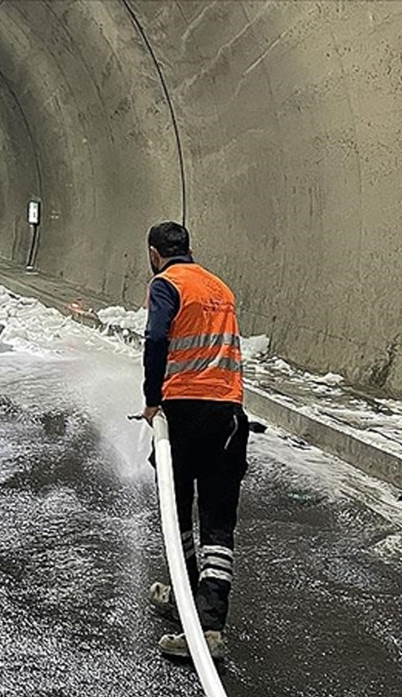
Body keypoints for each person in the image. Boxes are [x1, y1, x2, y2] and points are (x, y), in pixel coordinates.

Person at [139, 221, 249, 661]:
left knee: (176, 509)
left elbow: (156, 338)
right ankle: (207, 618)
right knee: (219, 522)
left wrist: (151, 399)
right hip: (228, 414)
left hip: (184, 411)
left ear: (154, 253)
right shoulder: (219, 287)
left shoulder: (166, 284)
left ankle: (193, 614)